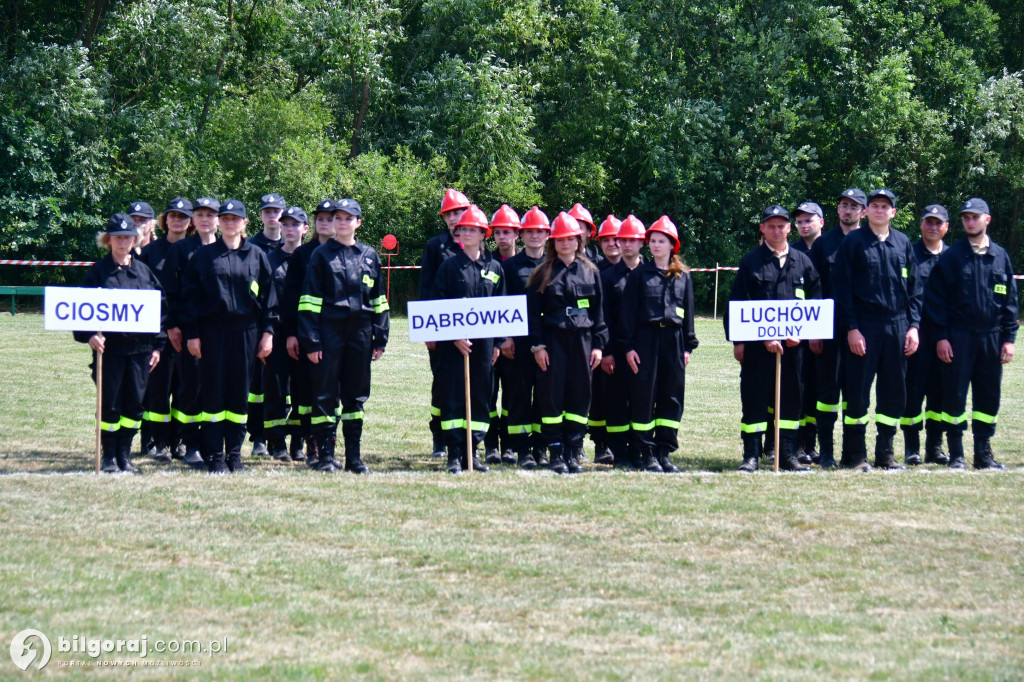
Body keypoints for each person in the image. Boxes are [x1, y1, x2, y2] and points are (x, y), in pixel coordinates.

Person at [180, 199, 277, 473]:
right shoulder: (203, 256)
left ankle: (234, 454)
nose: (230, 223)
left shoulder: (257, 256)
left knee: (238, 396)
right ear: (219, 223)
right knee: (213, 394)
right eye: (225, 219)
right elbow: (190, 298)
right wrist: (193, 334)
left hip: (247, 333)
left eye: (236, 219)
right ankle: (214, 455)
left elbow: (270, 299)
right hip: (212, 333)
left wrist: (268, 333)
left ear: (245, 223)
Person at [726, 205, 821, 472]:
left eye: (781, 225)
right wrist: (743, 341)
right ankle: (752, 455)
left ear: (789, 229)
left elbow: (816, 304)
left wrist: (800, 335)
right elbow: (738, 304)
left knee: (791, 401)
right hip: (759, 349)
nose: (777, 230)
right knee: (754, 399)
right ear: (763, 229)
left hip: (793, 349)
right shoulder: (750, 261)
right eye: (771, 225)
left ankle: (787, 454)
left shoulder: (803, 262)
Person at [833, 189, 922, 471]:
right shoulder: (854, 243)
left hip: (897, 326)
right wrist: (852, 328)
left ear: (893, 212)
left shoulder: (903, 243)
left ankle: (885, 454)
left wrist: (914, 327)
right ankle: (856, 455)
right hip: (864, 326)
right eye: (874, 206)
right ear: (866, 211)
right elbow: (842, 289)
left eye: (885, 206)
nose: (880, 210)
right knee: (857, 392)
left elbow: (915, 290)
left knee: (894, 391)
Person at [298, 198, 389, 474]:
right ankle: (326, 456)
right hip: (329, 331)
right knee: (325, 395)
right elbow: (309, 301)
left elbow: (379, 301)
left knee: (355, 397)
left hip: (360, 333)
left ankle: (354, 458)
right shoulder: (320, 255)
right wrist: (312, 340)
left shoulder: (370, 256)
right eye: (337, 218)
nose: (341, 222)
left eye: (348, 218)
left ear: (358, 223)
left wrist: (380, 337)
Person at [926, 198, 1018, 470]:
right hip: (958, 337)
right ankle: (956, 454)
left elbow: (1010, 302)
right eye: (966, 217)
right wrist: (941, 336)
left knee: (988, 396)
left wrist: (1009, 339)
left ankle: (983, 454)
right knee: (953, 395)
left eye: (975, 217)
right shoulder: (952, 257)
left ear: (987, 219)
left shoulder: (1000, 256)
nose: (970, 221)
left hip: (990, 337)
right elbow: (936, 301)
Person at [74, 213, 166, 474]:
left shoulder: (143, 272)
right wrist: (90, 334)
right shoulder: (98, 272)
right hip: (110, 352)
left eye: (128, 236)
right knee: (110, 405)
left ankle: (125, 455)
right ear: (108, 240)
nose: (123, 241)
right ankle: (109, 456)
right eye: (118, 237)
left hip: (140, 351)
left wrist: (158, 346)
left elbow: (161, 310)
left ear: (135, 239)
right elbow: (82, 310)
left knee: (134, 404)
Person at [526, 212, 608, 474]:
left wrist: (598, 345)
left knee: (580, 395)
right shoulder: (542, 273)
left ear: (578, 240)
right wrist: (537, 346)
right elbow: (532, 316)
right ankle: (556, 451)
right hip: (553, 342)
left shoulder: (591, 272)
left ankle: (574, 450)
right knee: (552, 396)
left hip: (583, 343)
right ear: (553, 242)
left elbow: (599, 313)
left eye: (570, 239)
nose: (565, 243)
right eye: (560, 239)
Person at [431, 205, 505, 474]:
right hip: (454, 347)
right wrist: (453, 337)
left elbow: (501, 308)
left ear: (484, 234)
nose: (469, 233)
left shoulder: (494, 267)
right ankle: (454, 454)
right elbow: (438, 305)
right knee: (453, 397)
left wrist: (498, 343)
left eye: (475, 229)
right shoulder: (449, 267)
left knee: (481, 397)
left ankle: (472, 453)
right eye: (465, 229)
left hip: (484, 348)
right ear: (459, 233)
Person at [622, 216, 698, 472]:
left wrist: (688, 346)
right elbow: (628, 315)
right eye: (652, 241)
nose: (655, 245)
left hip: (673, 342)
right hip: (646, 340)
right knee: (644, 396)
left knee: (672, 397)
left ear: (672, 245)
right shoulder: (639, 275)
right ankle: (647, 453)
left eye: (660, 241)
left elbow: (688, 312)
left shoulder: (683, 277)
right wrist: (629, 347)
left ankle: (665, 451)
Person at [810, 188, 866, 467]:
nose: (848, 210)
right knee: (827, 394)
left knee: (856, 393)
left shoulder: (868, 243)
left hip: (861, 330)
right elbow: (814, 289)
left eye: (854, 206)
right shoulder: (823, 244)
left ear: (863, 212)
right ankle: (827, 453)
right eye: (844, 205)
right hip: (828, 330)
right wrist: (815, 331)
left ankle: (852, 454)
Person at [136, 198, 193, 462]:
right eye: (173, 216)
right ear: (165, 220)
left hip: (189, 330)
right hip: (157, 330)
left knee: (186, 388)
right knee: (158, 389)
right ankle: (158, 441)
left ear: (190, 221)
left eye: (183, 216)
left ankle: (179, 441)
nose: (177, 220)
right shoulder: (152, 251)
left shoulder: (197, 250)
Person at [283, 199, 338, 468]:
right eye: (321, 219)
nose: (325, 223)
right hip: (308, 335)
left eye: (330, 218)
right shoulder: (302, 255)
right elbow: (292, 298)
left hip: (340, 335)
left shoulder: (348, 252)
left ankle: (330, 444)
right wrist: (293, 334)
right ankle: (310, 445)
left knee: (333, 394)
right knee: (305, 394)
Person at [163, 197, 217, 469]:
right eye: (200, 214)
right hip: (189, 330)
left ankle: (212, 444)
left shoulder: (229, 249)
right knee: (191, 388)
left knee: (216, 390)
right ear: (193, 220)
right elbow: (171, 293)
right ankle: (189, 443)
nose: (205, 219)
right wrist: (173, 325)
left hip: (222, 334)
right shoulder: (182, 250)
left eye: (211, 214)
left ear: (218, 219)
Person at [420, 188, 470, 458]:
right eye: (449, 213)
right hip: (442, 328)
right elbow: (427, 287)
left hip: (474, 328)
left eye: (458, 212)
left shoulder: (478, 243)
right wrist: (430, 329)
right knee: (443, 384)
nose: (454, 218)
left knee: (474, 385)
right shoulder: (435, 246)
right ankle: (440, 438)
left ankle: (469, 440)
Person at [501, 206, 550, 469]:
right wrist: (505, 337)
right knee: (518, 396)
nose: (534, 236)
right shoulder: (510, 267)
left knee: (544, 397)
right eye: (530, 231)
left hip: (546, 343)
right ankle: (521, 450)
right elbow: (503, 303)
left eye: (539, 231)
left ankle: (540, 447)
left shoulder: (553, 265)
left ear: (547, 234)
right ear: (522, 235)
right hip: (518, 343)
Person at [901, 204, 950, 465]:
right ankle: (912, 448)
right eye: (928, 222)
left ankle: (935, 447)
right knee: (913, 394)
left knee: (939, 394)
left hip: (945, 338)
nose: (932, 227)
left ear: (946, 227)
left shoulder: (953, 258)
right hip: (915, 335)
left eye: (937, 223)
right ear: (921, 224)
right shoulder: (909, 253)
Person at [263, 206, 308, 462]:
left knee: (303, 392)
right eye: (286, 224)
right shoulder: (268, 260)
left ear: (305, 229)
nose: (290, 229)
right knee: (276, 390)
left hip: (304, 335)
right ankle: (277, 443)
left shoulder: (311, 258)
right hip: (277, 335)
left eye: (295, 225)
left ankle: (298, 443)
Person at [246, 193, 287, 456]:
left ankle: (279, 438)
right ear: (260, 215)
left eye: (276, 211)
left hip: (286, 327)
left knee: (282, 388)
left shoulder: (292, 243)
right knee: (257, 388)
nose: (272, 215)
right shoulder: (251, 246)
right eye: (267, 211)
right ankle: (258, 437)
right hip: (259, 325)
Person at [484, 204, 520, 465]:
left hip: (518, 343)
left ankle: (508, 446)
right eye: (497, 233)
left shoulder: (525, 264)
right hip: (490, 342)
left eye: (507, 232)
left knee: (513, 396)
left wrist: (512, 338)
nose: (502, 237)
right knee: (488, 394)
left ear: (517, 234)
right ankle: (490, 445)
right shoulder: (487, 263)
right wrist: (499, 339)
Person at [790, 201, 825, 464]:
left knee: (818, 390)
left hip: (826, 332)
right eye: (800, 221)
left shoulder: (833, 247)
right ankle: (797, 445)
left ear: (821, 222)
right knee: (798, 389)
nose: (804, 225)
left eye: (808, 220)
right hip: (796, 335)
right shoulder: (791, 253)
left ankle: (813, 444)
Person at [589, 214, 623, 465]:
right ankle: (601, 444)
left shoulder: (637, 269)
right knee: (599, 397)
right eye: (606, 239)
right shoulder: (593, 272)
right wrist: (602, 348)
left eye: (616, 238)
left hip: (631, 345)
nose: (612, 243)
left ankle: (624, 443)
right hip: (602, 346)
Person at [569, 202, 602, 267]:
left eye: (579, 227)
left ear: (589, 232)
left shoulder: (599, 263)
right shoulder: (555, 263)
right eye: (571, 227)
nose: (575, 232)